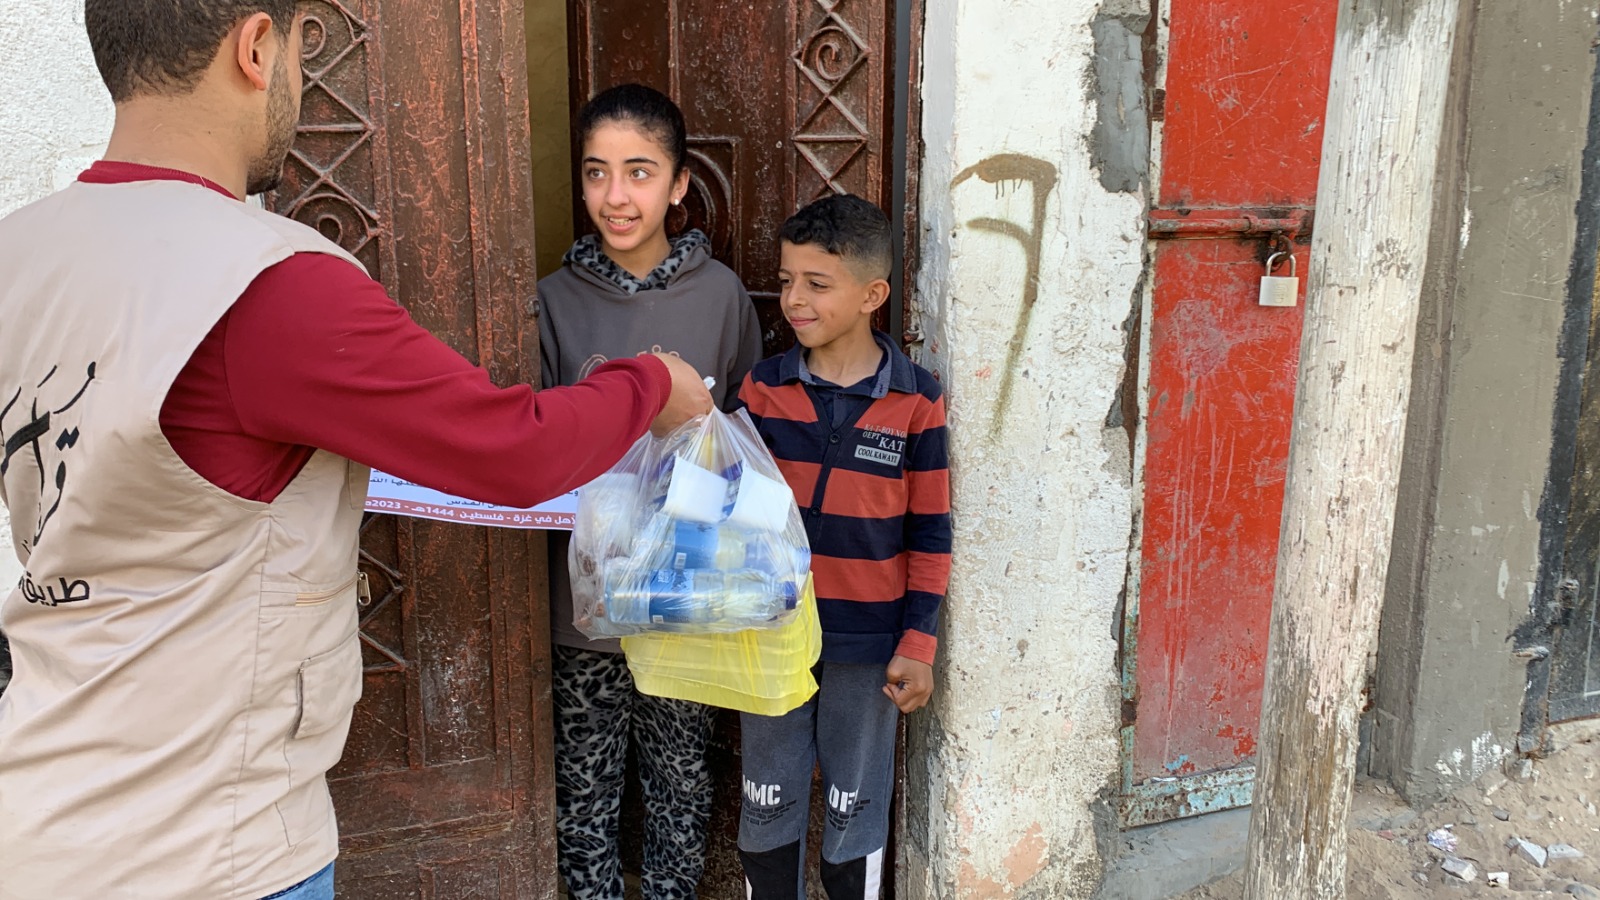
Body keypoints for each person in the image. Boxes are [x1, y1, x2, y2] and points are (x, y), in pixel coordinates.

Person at [0, 5, 713, 900]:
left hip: (37, 806)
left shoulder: (20, 253)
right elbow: (514, 452)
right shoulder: (266, 284)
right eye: (302, 49)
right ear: (255, 48)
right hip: (205, 844)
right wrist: (649, 382)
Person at [539, 83, 763, 900]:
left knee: (681, 784)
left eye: (639, 172)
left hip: (687, 597)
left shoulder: (721, 296)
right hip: (585, 606)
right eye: (596, 172)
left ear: (678, 185)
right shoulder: (552, 302)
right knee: (584, 793)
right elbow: (537, 439)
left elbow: (741, 435)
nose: (615, 196)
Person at [734, 195, 951, 899]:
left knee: (854, 808)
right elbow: (733, 511)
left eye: (817, 284)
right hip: (770, 635)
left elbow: (930, 532)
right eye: (786, 280)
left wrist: (918, 643)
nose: (793, 299)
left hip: (868, 646)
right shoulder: (763, 389)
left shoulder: (916, 400)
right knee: (767, 802)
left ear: (871, 295)